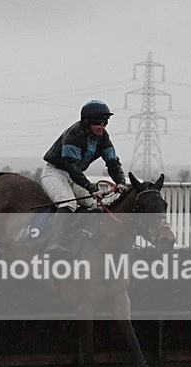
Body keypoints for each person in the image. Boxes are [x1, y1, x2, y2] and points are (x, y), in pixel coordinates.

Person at [40, 100, 129, 253]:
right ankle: (54, 244)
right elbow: (71, 166)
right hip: (55, 173)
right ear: (86, 122)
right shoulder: (74, 134)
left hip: (73, 177)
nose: (101, 126)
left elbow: (112, 162)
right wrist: (89, 186)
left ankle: (82, 238)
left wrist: (121, 182)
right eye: (97, 122)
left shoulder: (103, 137)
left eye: (105, 122)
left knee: (97, 205)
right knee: (68, 205)